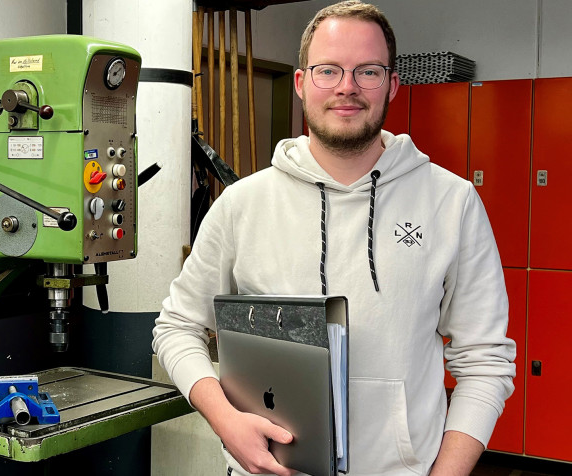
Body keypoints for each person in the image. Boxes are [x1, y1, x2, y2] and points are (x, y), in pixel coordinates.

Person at [152, 1, 516, 475]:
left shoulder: (452, 202)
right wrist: (226, 421)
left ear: (392, 84)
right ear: (302, 83)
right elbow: (176, 327)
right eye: (329, 70)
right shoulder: (242, 204)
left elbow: (485, 359)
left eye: (368, 70)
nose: (347, 87)